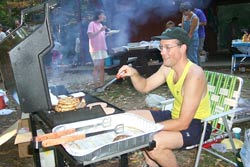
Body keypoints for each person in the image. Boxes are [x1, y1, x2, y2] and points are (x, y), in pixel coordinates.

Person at [117, 27, 212, 167]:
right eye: (161, 47)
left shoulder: (194, 75)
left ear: (183, 48)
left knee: (154, 143)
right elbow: (145, 86)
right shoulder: (167, 68)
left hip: (197, 124)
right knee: (129, 117)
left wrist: (150, 127)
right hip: (175, 116)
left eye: (168, 47)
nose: (162, 52)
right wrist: (134, 73)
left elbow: (184, 123)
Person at [87, 10, 109, 88]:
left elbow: (100, 37)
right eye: (103, 14)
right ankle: (96, 85)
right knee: (96, 67)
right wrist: (100, 30)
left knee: (102, 67)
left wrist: (107, 34)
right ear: (99, 15)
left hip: (102, 48)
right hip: (95, 49)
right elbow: (90, 36)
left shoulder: (100, 25)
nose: (104, 16)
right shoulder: (92, 24)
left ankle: (102, 84)